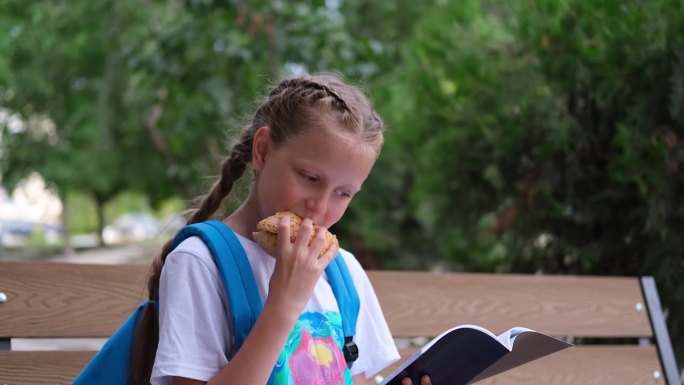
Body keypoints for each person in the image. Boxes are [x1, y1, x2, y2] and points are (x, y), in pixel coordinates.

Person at [131, 73, 431, 385]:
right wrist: (285, 304)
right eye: (310, 178)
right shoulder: (199, 263)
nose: (319, 206)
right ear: (262, 151)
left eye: (343, 193)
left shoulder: (345, 273)